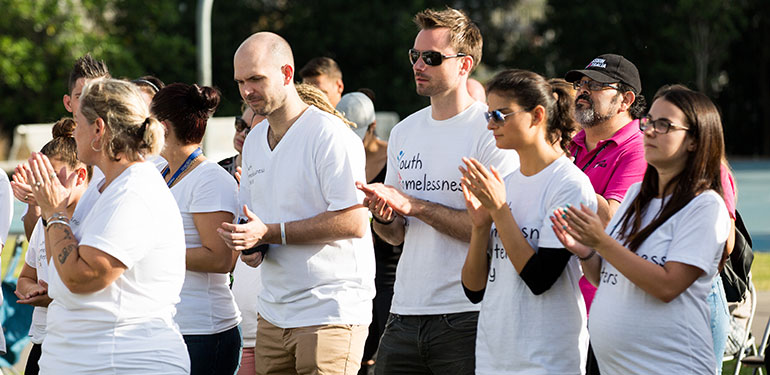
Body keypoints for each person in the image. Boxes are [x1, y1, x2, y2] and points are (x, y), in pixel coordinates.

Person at [356, 8, 518, 374]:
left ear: (465, 65)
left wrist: (415, 206)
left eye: (431, 58)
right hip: (403, 311)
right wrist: (383, 215)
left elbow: (493, 231)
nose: (419, 65)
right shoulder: (405, 131)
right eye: (415, 55)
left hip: (466, 315)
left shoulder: (490, 131)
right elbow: (395, 235)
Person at [221, 32, 375, 375]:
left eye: (257, 79)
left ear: (287, 74)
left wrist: (271, 232)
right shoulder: (256, 138)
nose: (247, 91)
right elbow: (256, 223)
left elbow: (353, 221)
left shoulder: (329, 134)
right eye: (241, 82)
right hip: (273, 314)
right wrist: (249, 243)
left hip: (329, 313)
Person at [552, 87, 731, 374]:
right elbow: (603, 277)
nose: (649, 131)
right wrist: (585, 250)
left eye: (665, 125)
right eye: (649, 122)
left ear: (695, 141)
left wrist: (602, 241)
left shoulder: (705, 205)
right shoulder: (636, 195)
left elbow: (667, 286)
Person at [29, 78, 189, 374]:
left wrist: (54, 212)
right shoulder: (102, 185)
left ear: (99, 129)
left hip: (121, 362)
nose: (73, 132)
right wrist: (52, 211)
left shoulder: (134, 192)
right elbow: (59, 274)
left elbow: (82, 277)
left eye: (78, 122)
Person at [459, 69, 594, 375]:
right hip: (495, 355)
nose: (491, 125)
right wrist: (480, 225)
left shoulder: (568, 184)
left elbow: (539, 278)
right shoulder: (507, 182)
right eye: (487, 115)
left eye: (500, 114)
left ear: (536, 116)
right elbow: (474, 290)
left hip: (546, 360)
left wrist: (500, 209)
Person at [563, 54, 648, 374]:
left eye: (596, 85)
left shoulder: (639, 147)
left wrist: (562, 170)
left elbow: (612, 219)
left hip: (605, 312)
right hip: (561, 308)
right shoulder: (572, 145)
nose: (582, 91)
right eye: (581, 83)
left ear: (626, 99)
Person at [152, 83, 242, 375]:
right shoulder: (157, 170)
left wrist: (153, 253)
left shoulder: (210, 179)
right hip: (166, 325)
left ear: (162, 127)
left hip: (203, 330)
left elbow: (221, 259)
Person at [13, 118, 92, 375]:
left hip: (82, 344)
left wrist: (53, 295)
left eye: (53, 177)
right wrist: (31, 290)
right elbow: (26, 276)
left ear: (80, 175)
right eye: (42, 177)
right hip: (45, 339)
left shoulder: (93, 218)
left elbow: (81, 283)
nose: (43, 185)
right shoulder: (46, 218)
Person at [337, 92, 402, 374]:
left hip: (388, 268)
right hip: (350, 269)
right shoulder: (340, 155)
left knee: (384, 353)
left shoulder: (392, 156)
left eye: (358, 133)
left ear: (373, 127)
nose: (353, 139)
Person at [15, 54, 110, 240]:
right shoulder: (58, 155)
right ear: (68, 102)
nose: (90, 105)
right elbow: (35, 243)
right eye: (81, 96)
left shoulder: (121, 156)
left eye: (98, 97)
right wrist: (37, 203)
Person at [218, 103, 264, 179]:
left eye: (250, 131)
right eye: (240, 124)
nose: (242, 133)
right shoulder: (218, 172)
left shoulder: (270, 176)